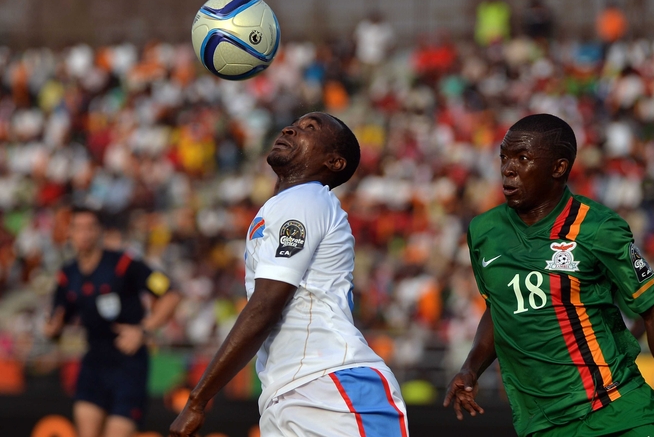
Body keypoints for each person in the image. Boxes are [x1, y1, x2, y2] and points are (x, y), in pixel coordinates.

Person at [444, 114, 654, 437]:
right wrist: (470, 369)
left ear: (558, 168)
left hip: (618, 408)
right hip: (544, 425)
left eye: (522, 158)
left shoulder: (597, 227)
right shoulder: (484, 232)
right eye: (504, 158)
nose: (507, 169)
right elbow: (499, 310)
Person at [169, 112, 408, 437]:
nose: (290, 128)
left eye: (310, 128)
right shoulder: (286, 204)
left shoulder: (305, 198)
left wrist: (197, 400)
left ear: (333, 162)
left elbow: (267, 304)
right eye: (295, 124)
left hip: (333, 385)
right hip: (286, 392)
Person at [43, 207, 181, 437]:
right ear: (70, 233)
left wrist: (143, 330)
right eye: (78, 228)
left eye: (90, 228)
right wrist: (51, 329)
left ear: (99, 231)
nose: (84, 234)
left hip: (128, 366)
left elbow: (170, 294)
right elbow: (57, 323)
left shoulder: (124, 264)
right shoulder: (67, 275)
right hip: (93, 364)